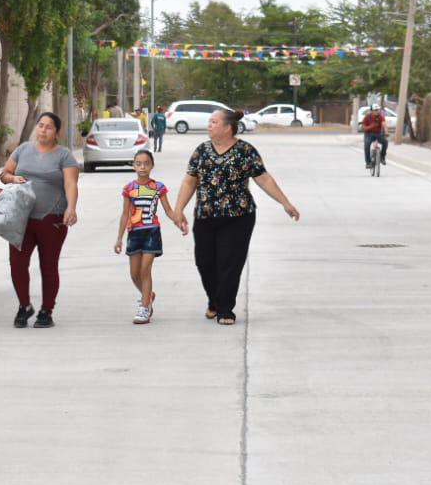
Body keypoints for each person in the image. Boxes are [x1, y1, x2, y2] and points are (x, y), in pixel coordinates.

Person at [171, 108, 300, 326]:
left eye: (214, 121)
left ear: (227, 127)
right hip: (205, 216)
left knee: (229, 263)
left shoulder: (245, 151)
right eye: (209, 121)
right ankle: (214, 300)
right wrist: (178, 209)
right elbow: (189, 181)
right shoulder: (201, 151)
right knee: (204, 262)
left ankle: (225, 309)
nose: (209, 125)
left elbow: (264, 179)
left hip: (238, 216)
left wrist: (285, 202)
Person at [0, 111, 80, 328]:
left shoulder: (64, 155)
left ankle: (46, 311)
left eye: (49, 127)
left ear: (56, 132)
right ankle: (24, 306)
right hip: (21, 218)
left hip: (51, 220)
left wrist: (71, 208)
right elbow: (4, 173)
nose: (43, 130)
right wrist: (13, 178)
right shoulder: (23, 149)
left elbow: (71, 184)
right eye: (41, 125)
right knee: (17, 264)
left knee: (48, 266)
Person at [113, 149, 184, 325]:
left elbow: (168, 210)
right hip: (134, 233)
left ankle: (145, 307)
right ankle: (148, 294)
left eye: (146, 163)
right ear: (133, 166)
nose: (142, 167)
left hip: (152, 232)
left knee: (145, 270)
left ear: (152, 165)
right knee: (134, 274)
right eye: (138, 163)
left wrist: (178, 221)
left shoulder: (158, 187)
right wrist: (119, 238)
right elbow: (124, 214)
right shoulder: (129, 189)